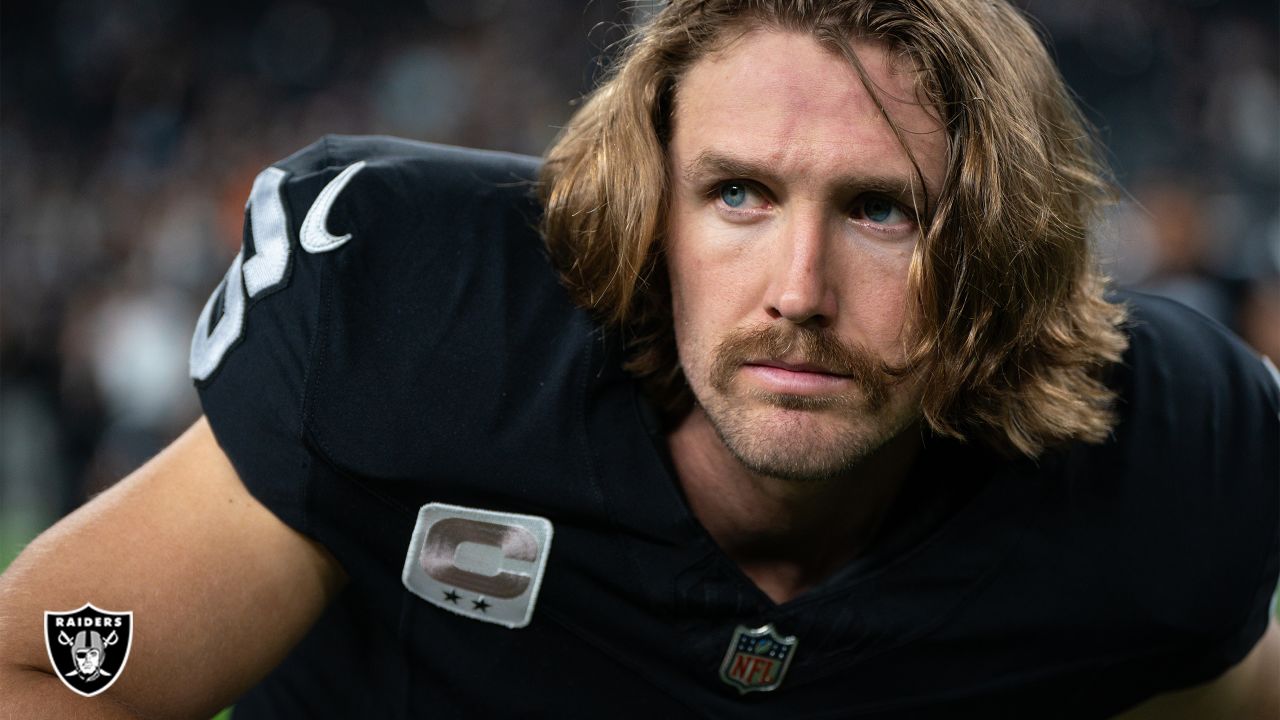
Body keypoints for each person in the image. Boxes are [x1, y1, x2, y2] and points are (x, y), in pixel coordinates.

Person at [1, 1, 1276, 717]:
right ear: (644, 208)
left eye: (881, 210)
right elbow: (50, 668)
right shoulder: (421, 324)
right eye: (737, 194)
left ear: (996, 253)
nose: (797, 293)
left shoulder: (1161, 456)